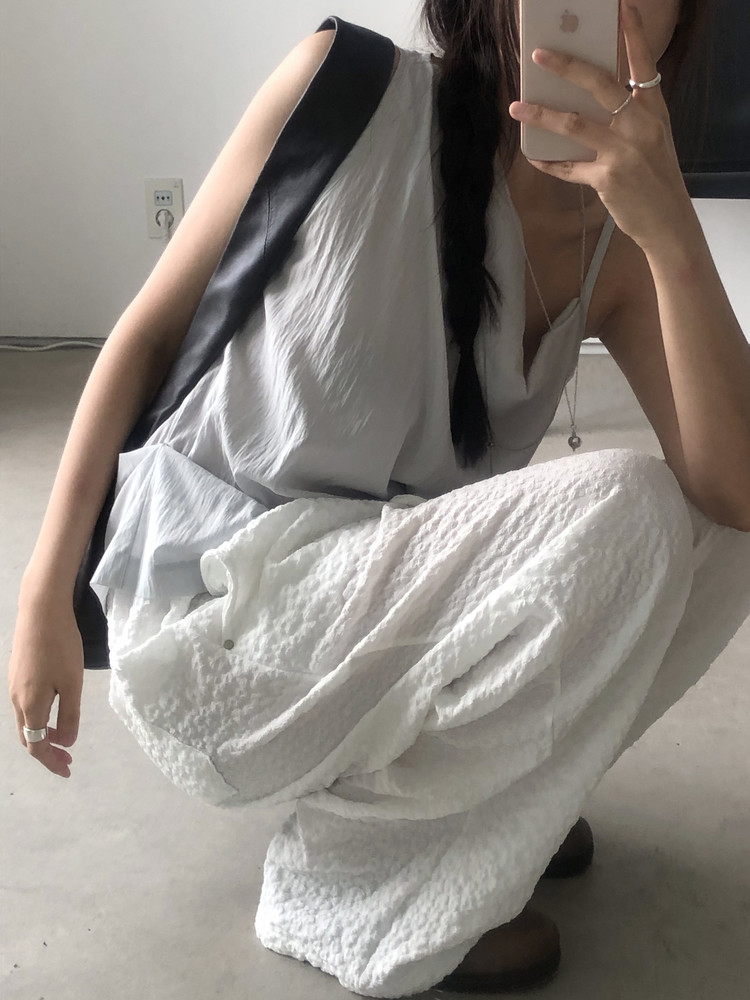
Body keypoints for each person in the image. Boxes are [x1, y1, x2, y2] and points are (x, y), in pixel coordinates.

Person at [8, 0, 750, 995]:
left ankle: (490, 811)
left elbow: (737, 492)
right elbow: (145, 333)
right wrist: (43, 597)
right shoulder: (346, 86)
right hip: (222, 625)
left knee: (715, 526)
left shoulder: (618, 242)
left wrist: (673, 232)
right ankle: (359, 879)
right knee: (631, 506)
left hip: (372, 617)